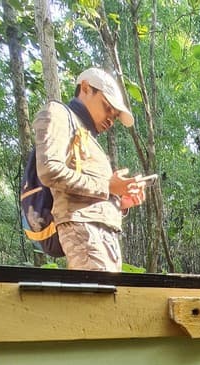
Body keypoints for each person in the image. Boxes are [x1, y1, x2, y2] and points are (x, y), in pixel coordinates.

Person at [33, 67, 144, 271]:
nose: (111, 119)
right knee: (98, 299)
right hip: (82, 228)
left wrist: (120, 200)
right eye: (108, 107)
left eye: (115, 115)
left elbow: (92, 192)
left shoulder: (88, 136)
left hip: (102, 233)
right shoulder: (58, 113)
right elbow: (49, 170)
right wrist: (107, 187)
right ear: (85, 88)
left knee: (109, 298)